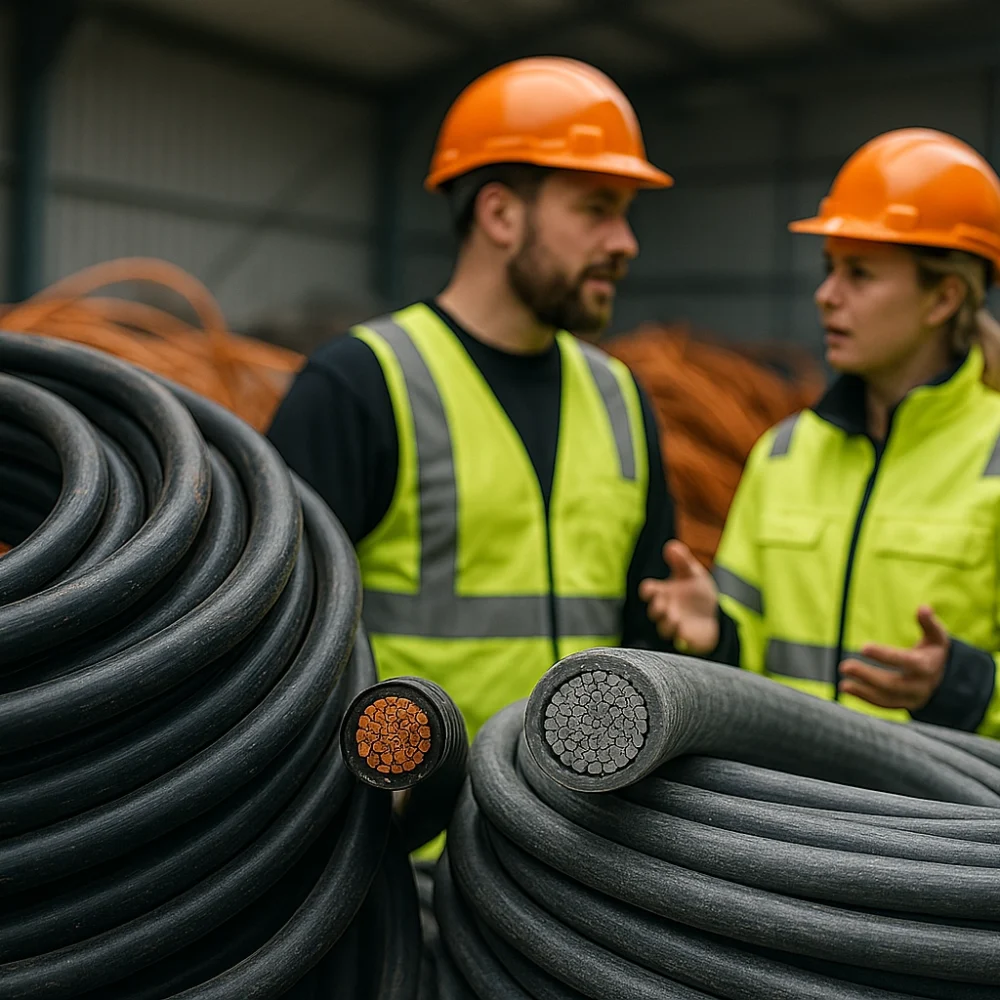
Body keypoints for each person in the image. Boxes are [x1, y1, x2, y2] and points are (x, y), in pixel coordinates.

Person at [267, 56, 679, 739]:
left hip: (585, 800)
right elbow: (275, 639)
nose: (624, 242)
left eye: (625, 215)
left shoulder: (619, 399)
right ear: (500, 214)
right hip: (412, 802)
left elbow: (648, 629)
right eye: (596, 209)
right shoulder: (360, 385)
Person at [640, 127, 1000, 738]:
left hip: (936, 800)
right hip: (788, 794)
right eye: (830, 269)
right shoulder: (783, 455)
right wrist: (717, 634)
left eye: (859, 274)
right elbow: (751, 658)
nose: (826, 296)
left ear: (943, 298)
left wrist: (965, 689)